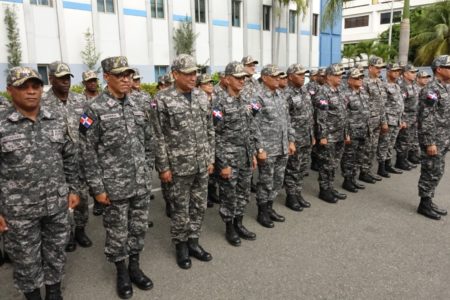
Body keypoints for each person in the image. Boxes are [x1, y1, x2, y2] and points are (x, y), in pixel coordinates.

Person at [0, 66, 80, 300]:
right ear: (9, 90)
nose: (31, 92)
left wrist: (72, 188)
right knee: (25, 258)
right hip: (18, 211)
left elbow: (68, 156)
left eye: (35, 86)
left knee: (56, 251)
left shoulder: (53, 120)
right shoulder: (2, 125)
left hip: (55, 205)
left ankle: (54, 292)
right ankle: (33, 296)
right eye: (23, 87)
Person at [80, 56, 153, 298]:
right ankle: (121, 271)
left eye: (128, 74)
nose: (125, 79)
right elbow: (87, 152)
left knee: (138, 228)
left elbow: (148, 141)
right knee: (117, 232)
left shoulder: (137, 105)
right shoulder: (94, 109)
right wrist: (97, 189)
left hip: (140, 183)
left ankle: (135, 266)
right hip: (113, 187)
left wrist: (148, 167)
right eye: (120, 75)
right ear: (106, 77)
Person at [152, 54, 214, 270]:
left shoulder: (201, 97)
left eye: (194, 72)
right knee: (180, 208)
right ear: (175, 74)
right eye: (187, 73)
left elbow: (209, 129)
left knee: (198, 206)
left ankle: (194, 242)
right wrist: (164, 167)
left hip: (200, 163)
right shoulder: (162, 99)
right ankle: (181, 245)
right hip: (178, 167)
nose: (192, 77)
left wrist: (210, 157)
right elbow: (158, 136)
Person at [42, 61, 93, 252]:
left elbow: (89, 120)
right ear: (51, 78)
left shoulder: (80, 100)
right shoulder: (43, 102)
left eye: (67, 78)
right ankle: (67, 233)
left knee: (82, 196)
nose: (65, 81)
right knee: (61, 199)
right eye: (60, 78)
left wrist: (82, 134)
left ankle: (80, 229)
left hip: (80, 158)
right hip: (56, 161)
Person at [213, 61, 258, 246]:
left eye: (244, 78)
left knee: (243, 193)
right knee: (229, 196)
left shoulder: (246, 101)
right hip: (229, 159)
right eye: (238, 78)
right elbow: (215, 136)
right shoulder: (219, 103)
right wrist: (222, 164)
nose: (242, 81)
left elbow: (250, 129)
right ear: (228, 79)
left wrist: (253, 153)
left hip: (245, 156)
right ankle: (229, 227)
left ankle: (239, 223)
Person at [254, 64, 295, 228]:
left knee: (278, 180)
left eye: (280, 76)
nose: (278, 79)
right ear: (264, 78)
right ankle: (262, 212)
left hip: (283, 146)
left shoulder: (280, 95)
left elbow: (287, 120)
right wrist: (260, 149)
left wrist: (291, 140)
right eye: (275, 76)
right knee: (265, 181)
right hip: (268, 149)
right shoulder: (257, 97)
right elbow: (254, 125)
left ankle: (270, 208)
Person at [416, 55, 450, 220]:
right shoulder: (430, 90)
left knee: (438, 170)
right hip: (434, 139)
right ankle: (424, 203)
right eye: (448, 67)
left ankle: (429, 200)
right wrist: (430, 142)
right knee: (430, 170)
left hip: (443, 138)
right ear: (439, 69)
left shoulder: (445, 88)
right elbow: (426, 117)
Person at [314, 64, 348, 203]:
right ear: (329, 77)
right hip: (329, 136)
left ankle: (330, 186)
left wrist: (346, 133)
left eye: (341, 75)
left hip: (339, 134)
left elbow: (344, 113)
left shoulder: (339, 90)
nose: (340, 78)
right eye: (337, 75)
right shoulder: (322, 92)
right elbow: (320, 116)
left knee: (334, 163)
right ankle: (324, 190)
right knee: (326, 164)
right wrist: (322, 136)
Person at [283, 64, 314, 211]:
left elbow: (310, 114)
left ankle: (298, 192)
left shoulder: (305, 90)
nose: (303, 76)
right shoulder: (285, 93)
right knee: (293, 168)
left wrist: (312, 134)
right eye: (299, 74)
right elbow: (285, 119)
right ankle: (291, 196)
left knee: (302, 167)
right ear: (290, 76)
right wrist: (290, 140)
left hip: (306, 135)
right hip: (295, 138)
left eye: (304, 74)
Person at [130, 68, 156, 228]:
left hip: (142, 149)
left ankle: (140, 220)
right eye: (135, 79)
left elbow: (152, 114)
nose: (137, 82)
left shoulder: (146, 96)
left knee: (141, 193)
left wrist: (149, 161)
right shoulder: (99, 105)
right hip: (119, 166)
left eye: (139, 79)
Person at [341, 68, 370, 193]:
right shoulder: (345, 95)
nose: (360, 80)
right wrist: (346, 133)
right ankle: (347, 180)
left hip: (363, 129)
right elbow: (343, 116)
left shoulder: (363, 93)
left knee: (359, 156)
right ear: (349, 80)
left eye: (361, 78)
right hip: (352, 131)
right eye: (357, 78)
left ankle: (353, 178)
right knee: (349, 157)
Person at [359, 56, 388, 184]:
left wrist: (383, 121)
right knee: (366, 148)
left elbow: (383, 104)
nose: (379, 70)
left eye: (381, 68)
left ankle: (368, 171)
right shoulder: (364, 83)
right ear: (370, 68)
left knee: (373, 147)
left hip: (378, 120)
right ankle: (363, 172)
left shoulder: (380, 83)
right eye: (377, 67)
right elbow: (362, 104)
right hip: (368, 121)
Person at [376, 62, 405, 178]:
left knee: (391, 144)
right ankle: (381, 167)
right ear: (388, 72)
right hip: (388, 120)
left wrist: (401, 119)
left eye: (398, 71)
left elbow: (400, 104)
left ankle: (388, 164)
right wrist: (384, 122)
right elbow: (381, 105)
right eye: (394, 71)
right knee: (383, 144)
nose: (397, 73)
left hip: (396, 120)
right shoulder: (383, 86)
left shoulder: (397, 86)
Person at [197, 73, 220, 208]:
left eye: (211, 83)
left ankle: (212, 192)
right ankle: (204, 196)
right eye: (206, 83)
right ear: (199, 86)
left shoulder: (216, 99)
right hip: (203, 139)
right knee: (205, 170)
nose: (210, 85)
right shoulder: (198, 100)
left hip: (217, 137)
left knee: (214, 169)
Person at [395, 64, 419, 171]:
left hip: (414, 116)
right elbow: (401, 104)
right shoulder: (402, 86)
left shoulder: (413, 84)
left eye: (415, 72)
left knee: (410, 139)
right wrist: (403, 119)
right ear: (405, 73)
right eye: (412, 72)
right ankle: (400, 161)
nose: (414, 74)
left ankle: (406, 159)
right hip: (407, 116)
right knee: (403, 140)